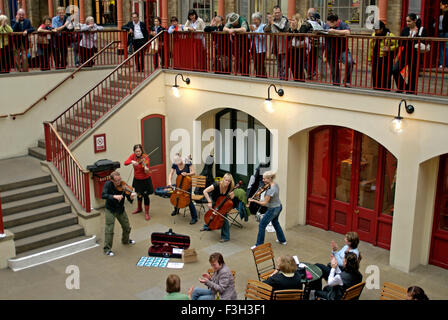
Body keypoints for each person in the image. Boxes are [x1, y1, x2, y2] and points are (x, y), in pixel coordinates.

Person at [101, 171, 137, 257]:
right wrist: (114, 196)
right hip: (110, 209)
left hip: (120, 209)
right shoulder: (108, 184)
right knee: (109, 229)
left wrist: (131, 197)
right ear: (112, 180)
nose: (119, 182)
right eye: (117, 181)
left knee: (127, 227)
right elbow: (103, 195)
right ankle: (107, 249)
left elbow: (129, 198)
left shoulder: (123, 185)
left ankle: (125, 240)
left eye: (120, 179)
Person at [249, 171, 287, 247]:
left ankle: (259, 245)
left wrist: (253, 200)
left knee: (262, 225)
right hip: (279, 206)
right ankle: (282, 240)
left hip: (273, 209)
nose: (263, 180)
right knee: (275, 222)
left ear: (269, 178)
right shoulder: (275, 184)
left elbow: (264, 203)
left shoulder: (270, 190)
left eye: (264, 179)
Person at [392, 13, 427, 94]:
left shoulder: (421, 30)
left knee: (413, 74)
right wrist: (407, 39)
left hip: (415, 54)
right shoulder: (405, 30)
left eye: (409, 21)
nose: (407, 23)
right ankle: (403, 87)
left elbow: (423, 41)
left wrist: (415, 36)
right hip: (406, 53)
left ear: (415, 21)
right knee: (395, 70)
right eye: (406, 21)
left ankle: (411, 91)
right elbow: (400, 43)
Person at [201, 173, 235, 242]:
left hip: (223, 203)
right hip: (214, 200)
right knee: (211, 214)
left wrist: (232, 195)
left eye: (229, 181)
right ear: (223, 179)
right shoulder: (216, 185)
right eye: (226, 180)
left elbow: (231, 198)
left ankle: (225, 237)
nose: (227, 182)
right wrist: (209, 201)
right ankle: (207, 226)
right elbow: (205, 191)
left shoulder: (230, 187)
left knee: (223, 217)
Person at [124, 144, 154, 221]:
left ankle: (146, 213)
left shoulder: (145, 157)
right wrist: (132, 161)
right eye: (136, 151)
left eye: (139, 151)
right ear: (134, 151)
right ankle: (139, 208)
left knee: (146, 196)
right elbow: (125, 163)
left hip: (145, 180)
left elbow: (146, 169)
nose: (138, 153)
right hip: (137, 179)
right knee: (139, 194)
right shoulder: (133, 156)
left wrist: (146, 168)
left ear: (141, 151)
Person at [168, 154, 198, 224]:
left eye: (179, 161)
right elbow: (171, 173)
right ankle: (176, 210)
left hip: (187, 184)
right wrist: (169, 181)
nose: (178, 163)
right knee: (176, 196)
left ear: (181, 158)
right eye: (176, 162)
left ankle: (194, 217)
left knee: (189, 200)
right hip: (179, 183)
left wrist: (187, 174)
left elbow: (193, 172)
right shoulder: (175, 163)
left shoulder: (187, 162)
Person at [368, 21, 398, 91]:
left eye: (377, 29)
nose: (375, 31)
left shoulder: (389, 35)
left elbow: (397, 45)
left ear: (382, 29)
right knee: (375, 74)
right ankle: (376, 88)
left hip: (385, 58)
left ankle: (386, 90)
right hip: (375, 57)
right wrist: (369, 59)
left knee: (386, 75)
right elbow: (371, 48)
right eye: (374, 29)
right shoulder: (373, 35)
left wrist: (389, 48)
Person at [323, 13, 352, 86]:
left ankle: (347, 81)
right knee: (334, 69)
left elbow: (348, 32)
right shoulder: (326, 24)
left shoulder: (342, 24)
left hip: (342, 50)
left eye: (330, 23)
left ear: (335, 21)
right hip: (330, 51)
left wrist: (335, 31)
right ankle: (336, 83)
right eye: (328, 23)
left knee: (349, 62)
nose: (328, 25)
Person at [264, 6, 289, 80]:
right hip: (275, 46)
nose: (277, 14)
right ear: (273, 13)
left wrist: (272, 23)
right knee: (279, 65)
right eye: (275, 13)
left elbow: (282, 28)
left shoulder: (284, 19)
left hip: (283, 46)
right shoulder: (272, 20)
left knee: (284, 65)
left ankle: (284, 79)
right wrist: (269, 23)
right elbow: (265, 30)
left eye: (278, 12)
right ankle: (281, 78)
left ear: (281, 12)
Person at [288, 13, 312, 82]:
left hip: (301, 49)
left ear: (297, 20)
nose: (292, 22)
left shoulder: (303, 26)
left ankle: (301, 81)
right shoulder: (292, 27)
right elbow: (289, 38)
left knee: (299, 67)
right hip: (293, 49)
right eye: (291, 20)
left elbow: (301, 37)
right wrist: (291, 29)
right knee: (292, 66)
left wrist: (294, 30)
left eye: (293, 20)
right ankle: (296, 80)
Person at [249, 12, 267, 78]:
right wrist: (250, 31)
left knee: (261, 64)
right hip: (253, 48)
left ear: (259, 19)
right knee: (256, 64)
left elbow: (262, 37)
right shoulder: (253, 26)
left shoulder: (263, 26)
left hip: (261, 49)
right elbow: (249, 37)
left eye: (255, 19)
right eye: (253, 19)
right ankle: (258, 76)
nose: (254, 21)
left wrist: (254, 31)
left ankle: (263, 77)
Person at [439, 0, 448, 69]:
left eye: (441, 5)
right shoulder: (444, 13)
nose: (440, 7)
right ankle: (442, 63)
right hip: (443, 32)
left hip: (446, 32)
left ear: (446, 5)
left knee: (446, 48)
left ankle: (445, 64)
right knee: (442, 48)